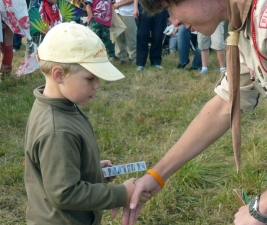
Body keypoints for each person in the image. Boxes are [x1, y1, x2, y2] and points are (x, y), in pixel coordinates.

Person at [112, 0, 267, 224]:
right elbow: (226, 103)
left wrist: (261, 207)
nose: (173, 21)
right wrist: (157, 175)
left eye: (169, 8)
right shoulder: (245, 23)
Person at [24, 22, 150, 225]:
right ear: (59, 75)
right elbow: (64, 193)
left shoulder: (58, 106)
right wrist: (120, 194)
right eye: (90, 78)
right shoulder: (57, 130)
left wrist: (89, 169)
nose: (97, 85)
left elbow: (57, 167)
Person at [133, 0, 168, 71]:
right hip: (144, 5)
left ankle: (156, 62)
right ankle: (140, 63)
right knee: (142, 35)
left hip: (160, 6)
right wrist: (135, 8)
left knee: (158, 35)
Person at [112, 0, 137, 64]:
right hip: (116, 13)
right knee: (118, 36)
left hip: (128, 13)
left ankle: (133, 57)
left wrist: (118, 5)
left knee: (131, 37)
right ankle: (121, 57)